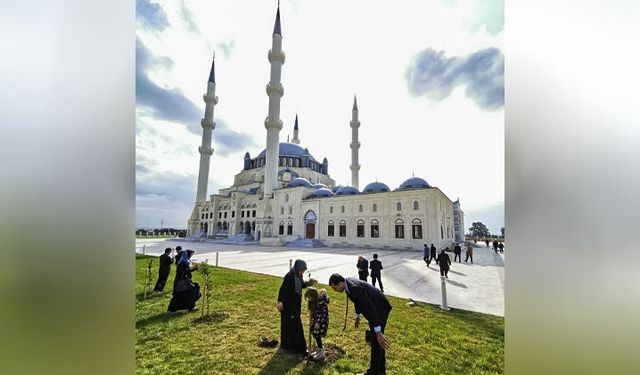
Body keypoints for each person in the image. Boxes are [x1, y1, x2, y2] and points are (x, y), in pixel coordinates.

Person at [329, 273, 391, 375]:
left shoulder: (354, 288)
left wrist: (378, 332)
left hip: (379, 308)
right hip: (376, 307)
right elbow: (357, 302)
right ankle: (380, 369)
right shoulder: (347, 284)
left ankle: (373, 372)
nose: (335, 290)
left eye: (335, 288)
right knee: (377, 340)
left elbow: (371, 309)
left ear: (340, 283)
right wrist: (358, 316)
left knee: (376, 340)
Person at [277, 259, 317, 355]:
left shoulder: (298, 275)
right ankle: (300, 348)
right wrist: (279, 301)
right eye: (302, 269)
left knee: (291, 325)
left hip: (295, 303)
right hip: (288, 304)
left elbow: (301, 285)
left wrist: (308, 283)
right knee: (296, 325)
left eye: (303, 270)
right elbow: (282, 290)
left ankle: (288, 345)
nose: (303, 272)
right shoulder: (289, 276)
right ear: (298, 268)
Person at [304, 287, 330, 361]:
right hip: (316, 321)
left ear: (314, 296)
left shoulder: (321, 303)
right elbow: (313, 313)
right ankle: (318, 350)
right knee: (314, 333)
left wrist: (318, 322)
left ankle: (321, 353)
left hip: (322, 322)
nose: (309, 299)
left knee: (317, 335)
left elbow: (324, 314)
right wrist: (312, 321)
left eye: (309, 297)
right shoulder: (313, 302)